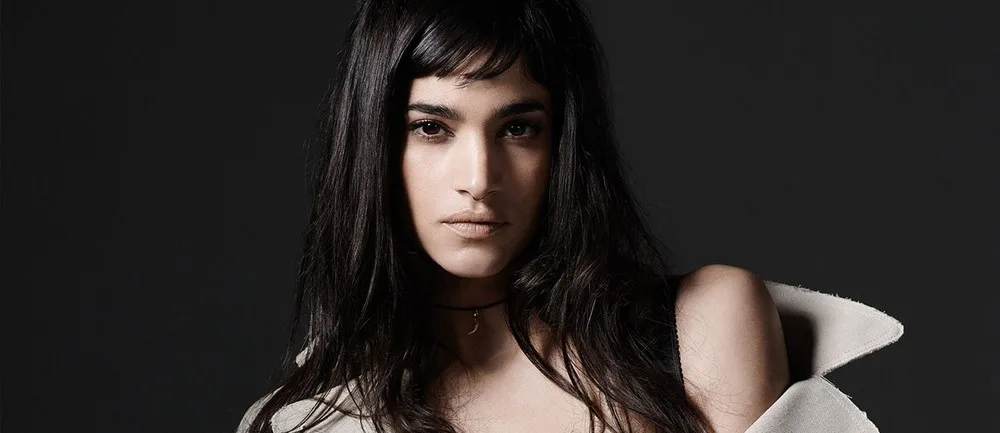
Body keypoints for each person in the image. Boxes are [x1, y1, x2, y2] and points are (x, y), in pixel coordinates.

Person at [237, 0, 790, 432]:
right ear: (374, 144)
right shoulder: (313, 418)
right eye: (431, 128)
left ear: (563, 147)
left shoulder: (703, 326)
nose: (479, 179)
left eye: (518, 129)